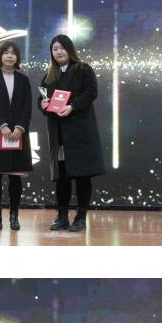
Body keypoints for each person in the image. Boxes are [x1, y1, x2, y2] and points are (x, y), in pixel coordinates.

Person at [39, 35, 106, 232]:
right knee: (62, 177)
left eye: (61, 48)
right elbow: (41, 101)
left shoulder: (83, 69)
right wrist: (43, 104)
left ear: (69, 49)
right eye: (54, 49)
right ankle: (62, 216)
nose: (58, 52)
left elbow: (91, 93)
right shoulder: (49, 75)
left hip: (80, 133)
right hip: (59, 134)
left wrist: (72, 106)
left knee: (82, 176)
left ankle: (81, 217)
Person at [0, 41, 34, 231]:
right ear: (0, 56)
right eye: (6, 52)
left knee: (15, 177)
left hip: (18, 134)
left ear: (17, 57)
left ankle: (14, 215)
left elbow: (27, 106)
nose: (9, 56)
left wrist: (19, 128)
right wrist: (2, 126)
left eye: (13, 53)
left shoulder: (23, 80)